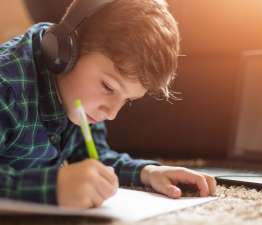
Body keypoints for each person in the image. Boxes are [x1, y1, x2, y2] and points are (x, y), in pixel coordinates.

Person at [0, 0, 216, 208]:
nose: (112, 113)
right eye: (109, 87)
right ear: (65, 50)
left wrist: (147, 173)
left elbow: (96, 158)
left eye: (127, 100)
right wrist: (51, 189)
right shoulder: (7, 87)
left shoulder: (80, 99)